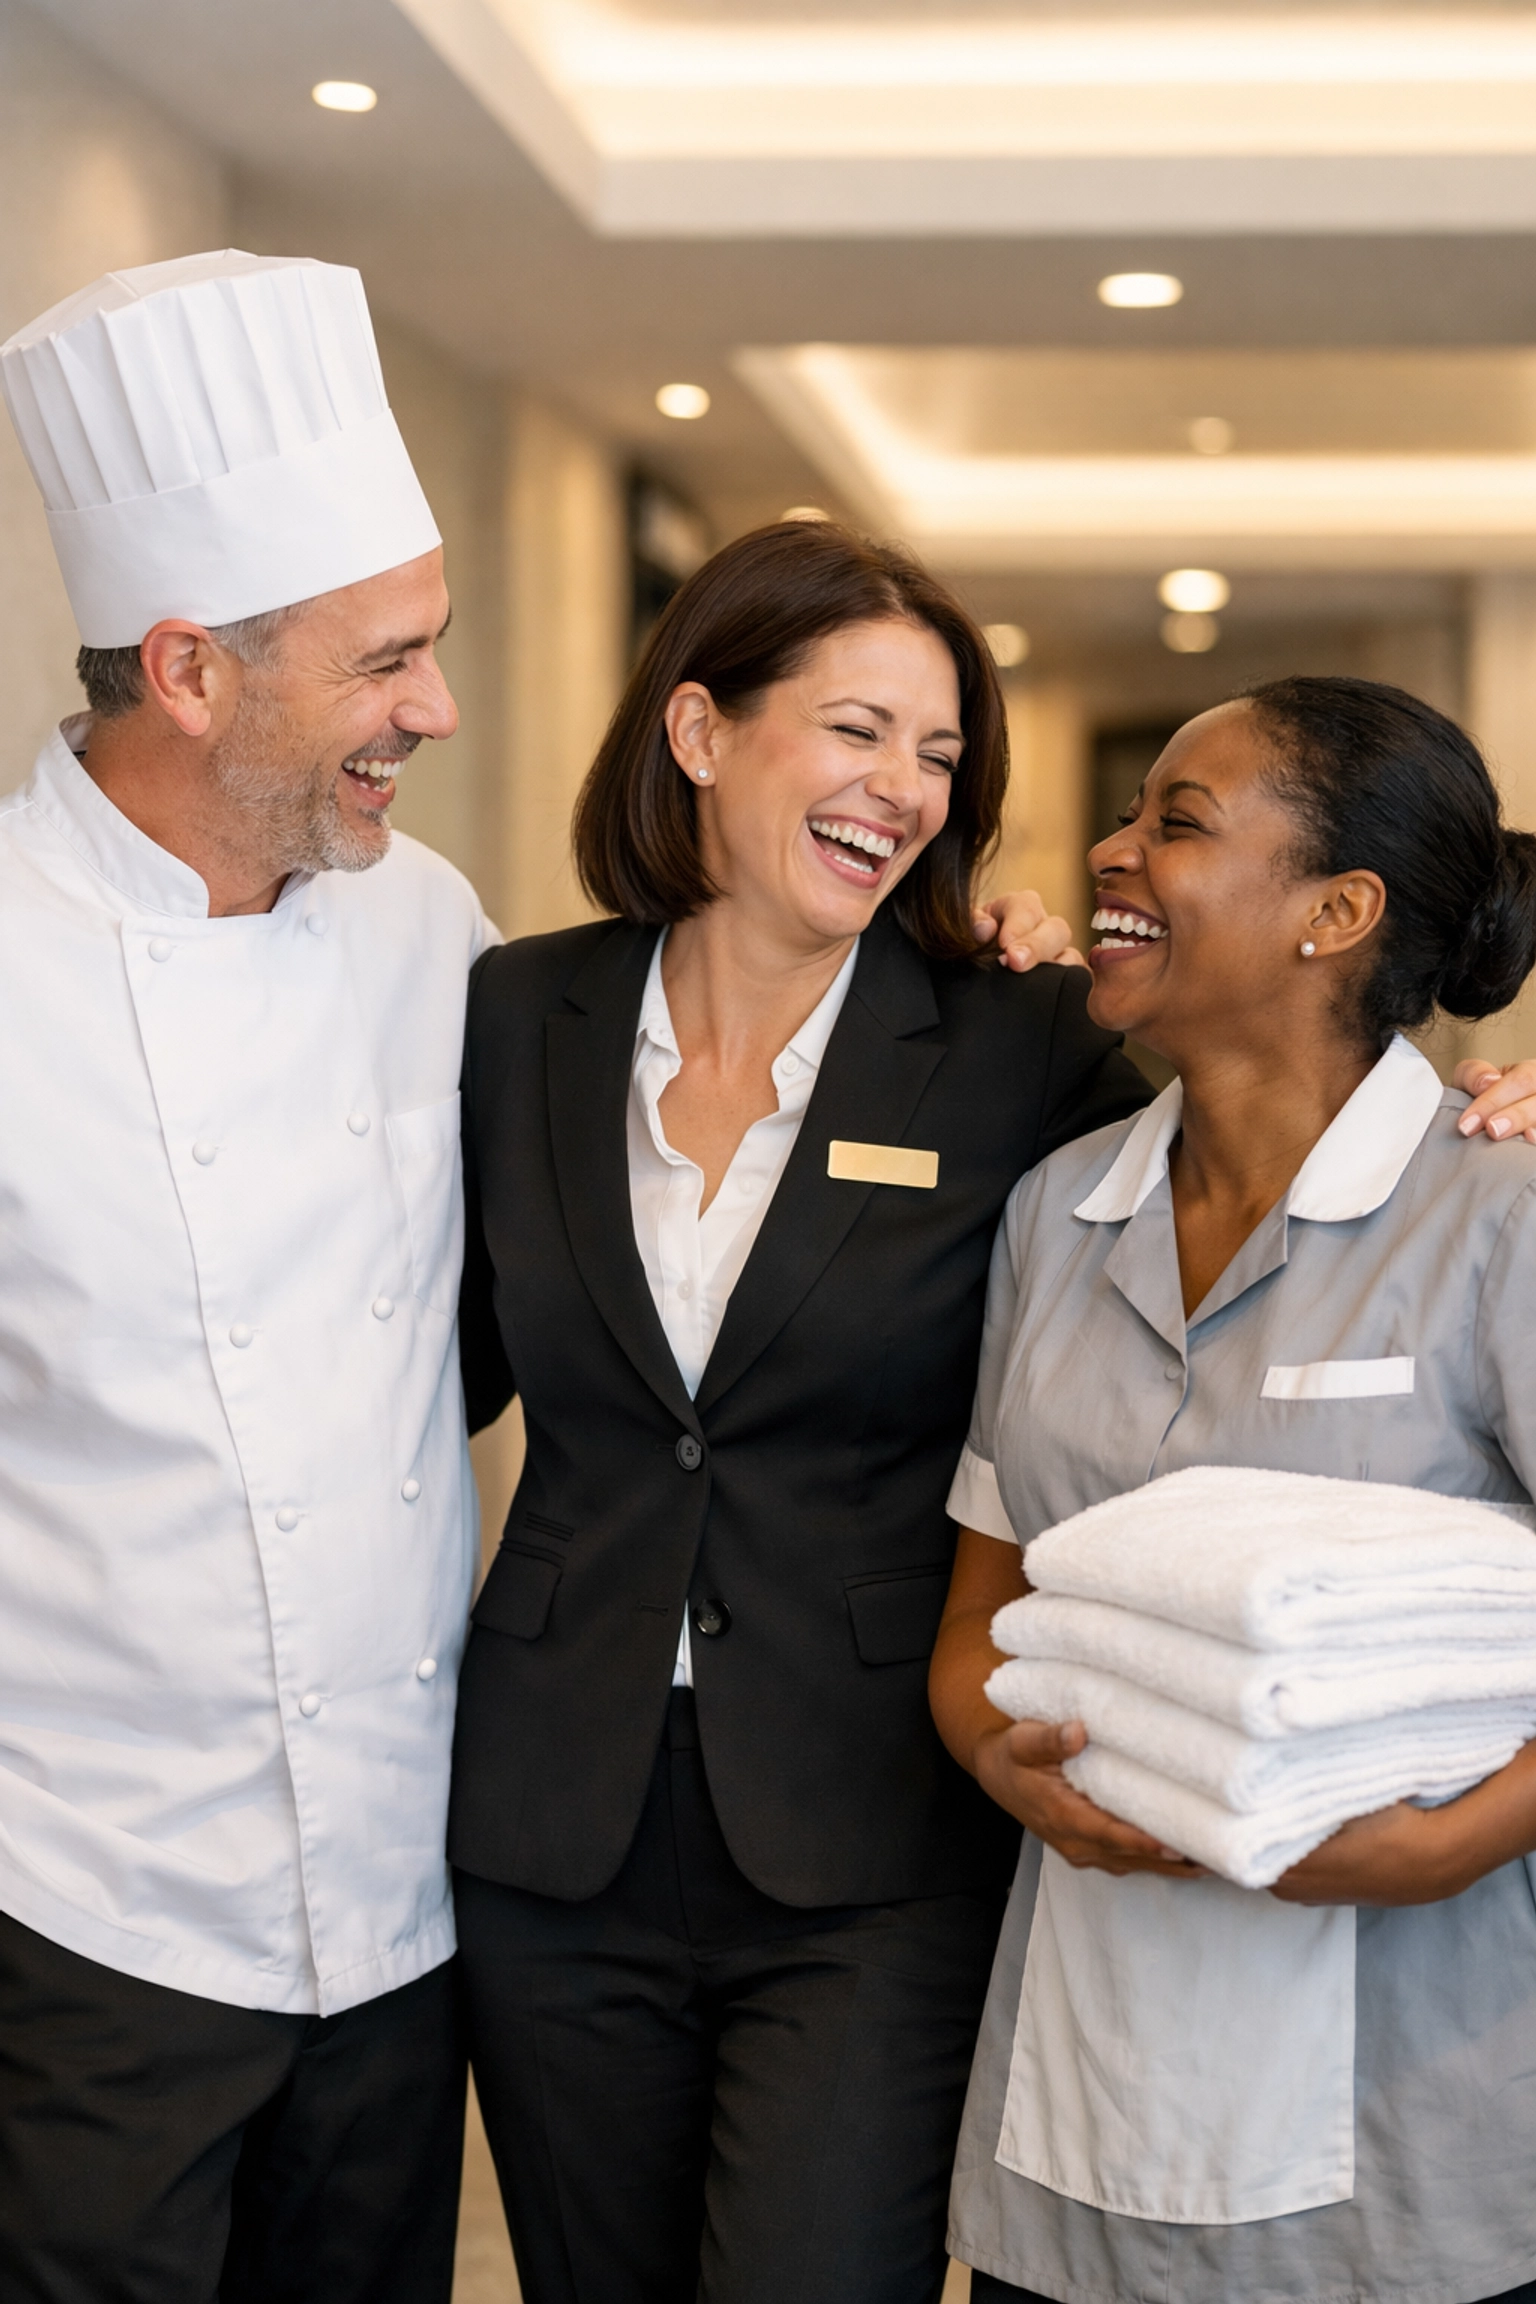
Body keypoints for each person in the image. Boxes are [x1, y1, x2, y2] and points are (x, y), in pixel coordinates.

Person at [449, 528, 1535, 2303]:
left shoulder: (1013, 1043)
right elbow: (414, 1367)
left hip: (865, 1830)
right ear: (700, 732)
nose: (907, 787)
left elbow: (1288, 1085)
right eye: (858, 729)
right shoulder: (517, 1014)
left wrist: (1493, 1100)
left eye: (940, 753)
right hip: (555, 1808)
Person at [0, 251, 489, 2303]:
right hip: (73, 1925)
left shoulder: (434, 928)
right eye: (387, 663)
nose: (434, 712)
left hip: (397, 1921)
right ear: (190, 670)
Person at [931, 676, 1536, 2304]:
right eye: (1133, 813)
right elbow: (983, 1616)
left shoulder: (1501, 1213)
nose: (1112, 849)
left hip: (1418, 2111)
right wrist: (1003, 1759)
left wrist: (1446, 1847)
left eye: (1178, 823)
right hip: (1089, 2088)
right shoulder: (1058, 1214)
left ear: (1337, 912)